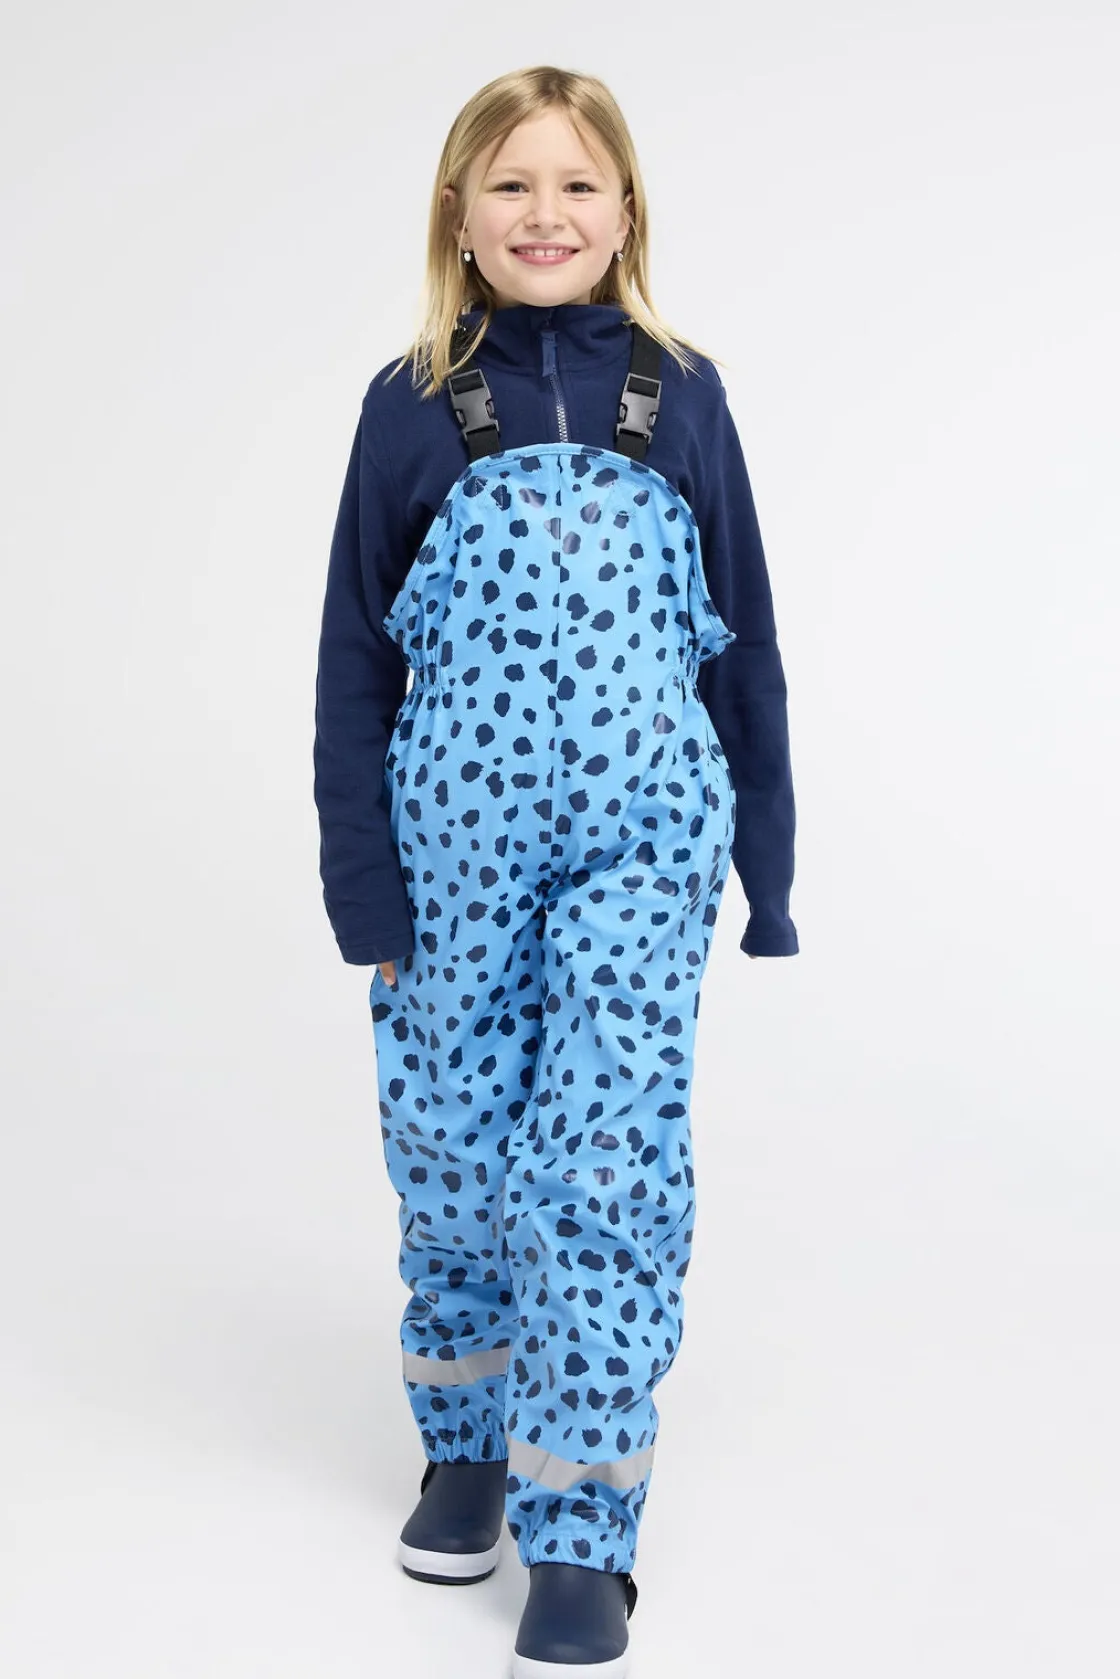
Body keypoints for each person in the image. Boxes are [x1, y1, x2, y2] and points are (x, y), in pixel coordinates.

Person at [313, 65, 799, 1679]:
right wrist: (366, 890)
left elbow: (745, 645)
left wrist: (772, 867)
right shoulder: (408, 405)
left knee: (601, 1165)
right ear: (458, 214)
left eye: (577, 183)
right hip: (450, 864)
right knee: (453, 1152)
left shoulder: (685, 396)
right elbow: (354, 663)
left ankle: (584, 1524)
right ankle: (467, 1445)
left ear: (626, 210)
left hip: (643, 853)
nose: (545, 213)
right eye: (510, 183)